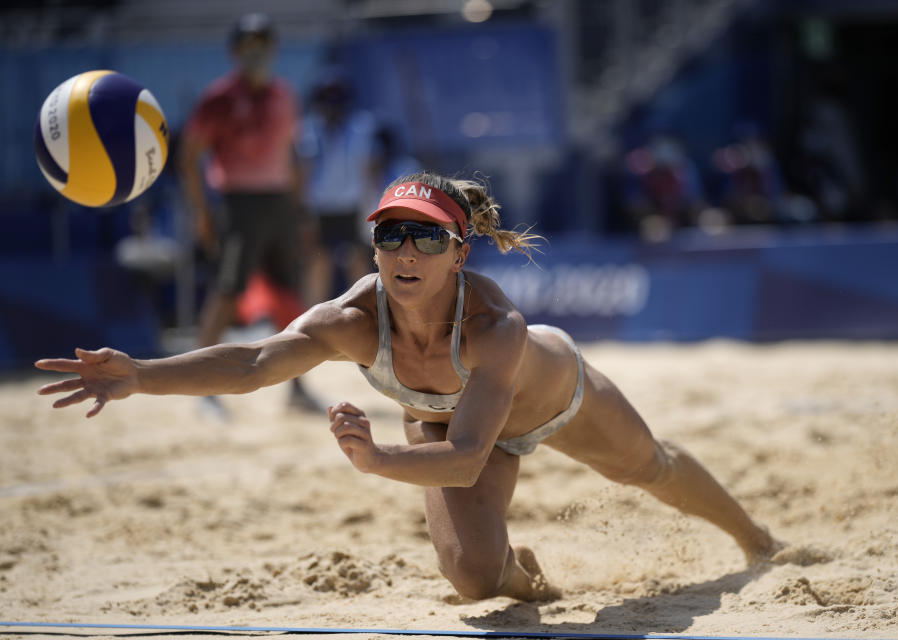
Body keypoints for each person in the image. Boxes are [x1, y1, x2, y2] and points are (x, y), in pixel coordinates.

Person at [36, 171, 782, 602]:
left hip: (548, 399)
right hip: (442, 423)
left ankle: (757, 541)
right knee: (472, 584)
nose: (405, 250)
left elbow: (462, 459)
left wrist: (377, 462)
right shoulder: (354, 318)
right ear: (373, 246)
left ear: (458, 254)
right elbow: (256, 364)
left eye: (426, 236)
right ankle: (521, 574)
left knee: (645, 466)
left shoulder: (496, 326)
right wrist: (141, 374)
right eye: (390, 233)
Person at [178, 12, 320, 417]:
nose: (256, 52)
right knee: (227, 294)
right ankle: (202, 388)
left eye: (262, 43)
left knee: (289, 300)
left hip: (278, 204)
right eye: (248, 44)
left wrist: (299, 210)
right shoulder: (219, 98)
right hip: (238, 205)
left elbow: (291, 156)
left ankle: (297, 387)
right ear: (236, 51)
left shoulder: (283, 96)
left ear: (272, 49)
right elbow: (189, 158)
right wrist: (202, 213)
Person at [297, 74, 378, 306]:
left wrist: (370, 207)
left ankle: (367, 310)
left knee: (358, 259)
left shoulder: (361, 128)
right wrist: (302, 212)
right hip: (320, 208)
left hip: (353, 206)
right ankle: (311, 316)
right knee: (318, 262)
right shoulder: (309, 129)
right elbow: (304, 172)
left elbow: (367, 169)